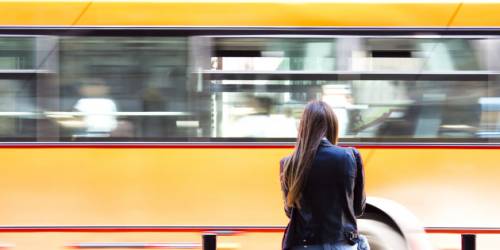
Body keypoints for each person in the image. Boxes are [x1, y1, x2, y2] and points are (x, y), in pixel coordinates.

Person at [280, 101, 369, 250]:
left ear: (303, 128)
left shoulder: (288, 163)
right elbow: (358, 208)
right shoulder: (350, 156)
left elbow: (290, 212)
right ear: (333, 127)